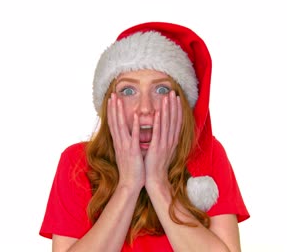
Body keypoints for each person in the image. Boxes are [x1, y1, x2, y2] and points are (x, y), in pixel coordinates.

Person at [39, 22, 250, 252]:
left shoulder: (208, 154)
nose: (145, 108)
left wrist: (157, 182)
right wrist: (128, 185)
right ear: (108, 103)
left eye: (161, 90)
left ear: (182, 103)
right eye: (128, 91)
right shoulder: (77, 162)